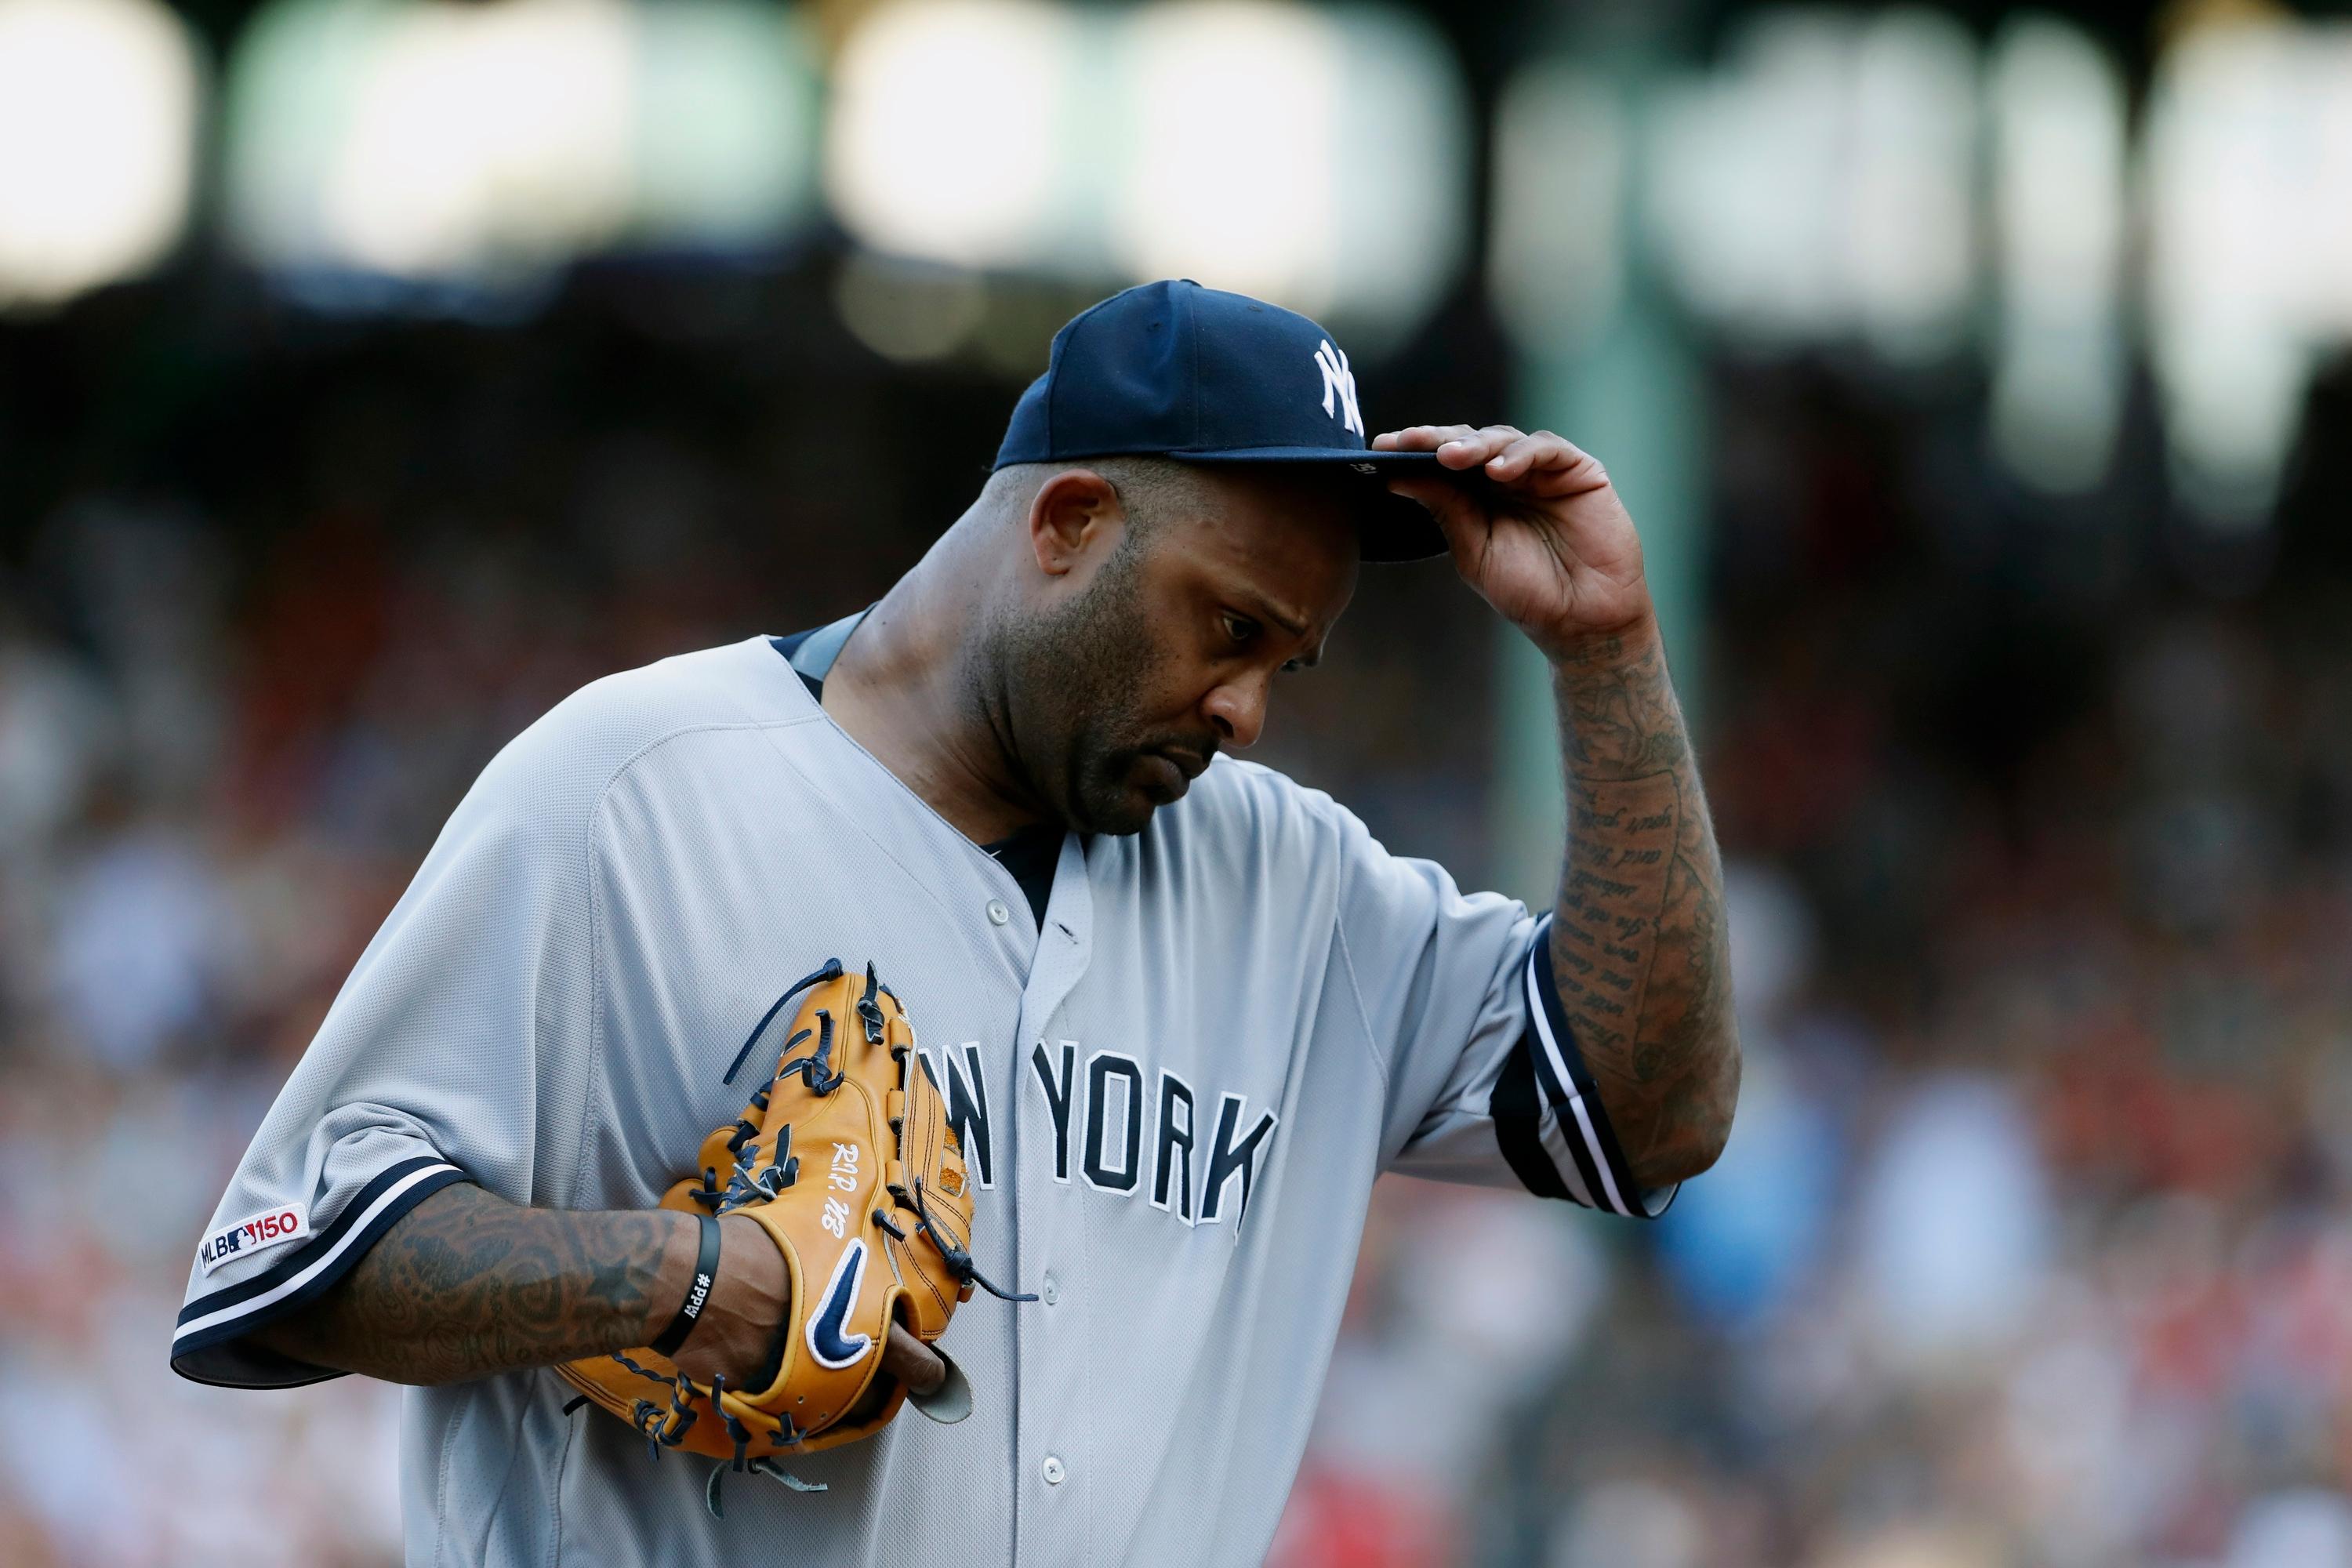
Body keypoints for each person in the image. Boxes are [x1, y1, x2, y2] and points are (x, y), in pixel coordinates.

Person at [169, 279, 1739, 1564]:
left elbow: (1649, 1113)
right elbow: (285, 1259)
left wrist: (1607, 662)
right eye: (1231, 627)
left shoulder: (1298, 884)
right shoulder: (635, 782)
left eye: (1290, 661)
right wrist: (674, 1274)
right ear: (1066, 521)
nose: (1252, 710)